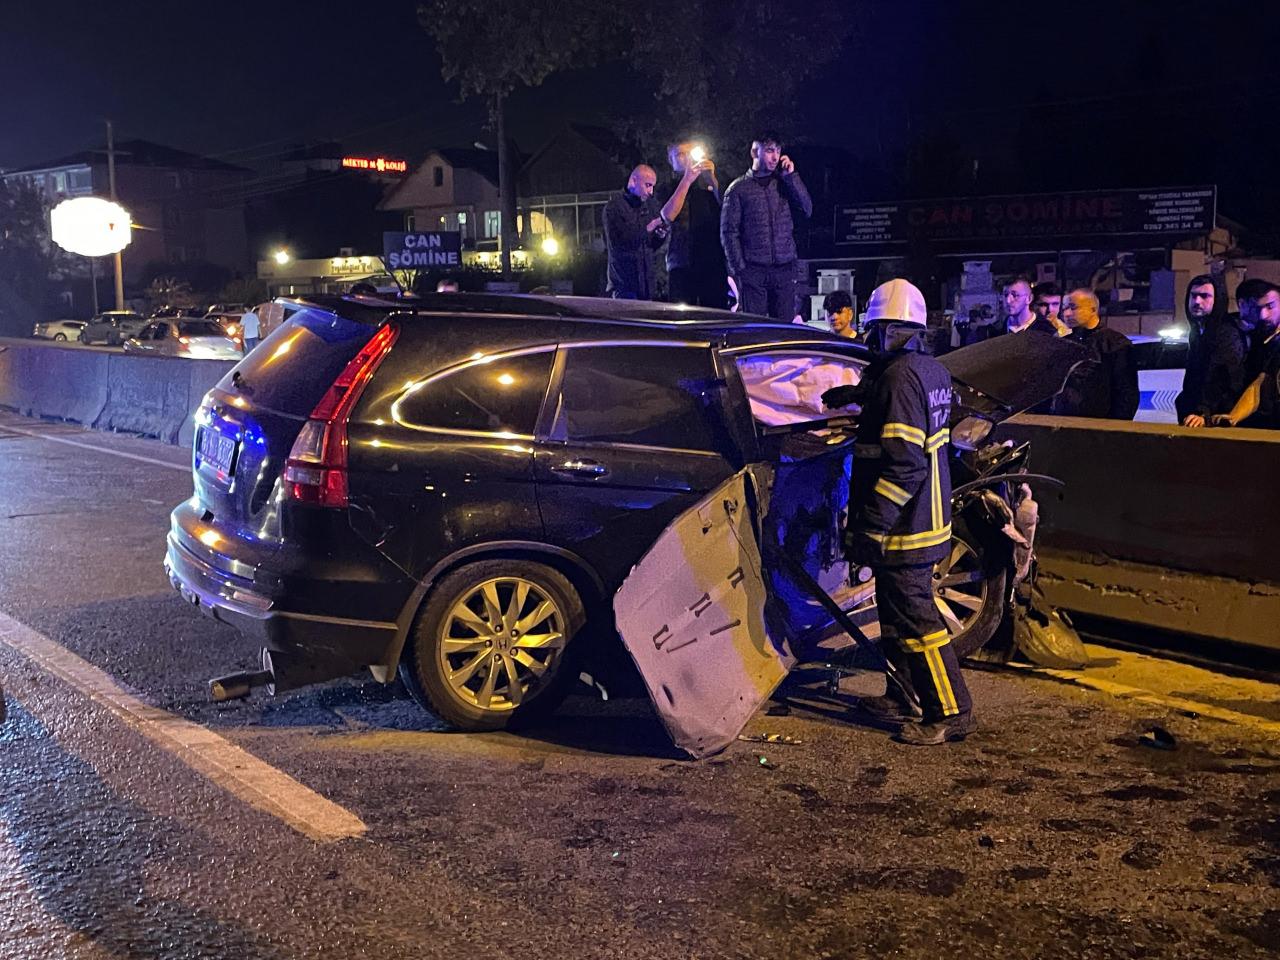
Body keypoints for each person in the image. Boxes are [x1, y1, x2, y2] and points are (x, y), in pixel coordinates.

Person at [822, 279, 975, 746]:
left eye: (874, 330)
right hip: (925, 518)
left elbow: (904, 465)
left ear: (889, 330)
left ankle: (950, 710)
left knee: (916, 621)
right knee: (893, 614)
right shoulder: (928, 370)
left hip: (905, 525)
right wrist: (858, 398)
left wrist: (871, 526)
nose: (870, 340)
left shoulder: (898, 378)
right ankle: (903, 692)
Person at [720, 132, 813, 320]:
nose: (775, 157)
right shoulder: (738, 188)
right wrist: (740, 270)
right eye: (770, 150)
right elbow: (729, 232)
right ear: (755, 152)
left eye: (778, 151)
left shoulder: (784, 183)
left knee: (784, 330)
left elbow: (807, 210)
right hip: (753, 271)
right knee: (754, 329)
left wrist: (792, 177)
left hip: (784, 269)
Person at [1051, 289, 1139, 420]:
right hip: (1063, 425)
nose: (1067, 313)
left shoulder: (1115, 344)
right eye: (1064, 308)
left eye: (1073, 308)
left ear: (1093, 309)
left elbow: (1127, 393)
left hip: (1099, 428)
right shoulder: (1065, 342)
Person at [660, 142, 726, 307]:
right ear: (670, 160)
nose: (686, 159)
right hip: (681, 263)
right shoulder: (665, 188)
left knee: (714, 315)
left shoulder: (708, 189)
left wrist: (712, 179)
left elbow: (729, 211)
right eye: (680, 155)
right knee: (682, 316)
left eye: (690, 154)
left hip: (710, 262)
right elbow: (667, 215)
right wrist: (687, 179)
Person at [1213, 281, 1280, 429]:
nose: (1264, 315)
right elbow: (1258, 385)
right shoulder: (1257, 339)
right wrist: (1233, 416)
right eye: (1258, 308)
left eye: (1270, 306)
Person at [603, 164, 667, 300]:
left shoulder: (649, 206)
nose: (651, 192)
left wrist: (659, 237)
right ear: (634, 181)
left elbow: (649, 246)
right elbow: (621, 242)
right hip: (624, 285)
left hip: (647, 286)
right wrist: (649, 228)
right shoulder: (614, 207)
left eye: (653, 187)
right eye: (648, 185)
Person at [1175, 275, 1228, 425]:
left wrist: (1205, 413)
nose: (1197, 301)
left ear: (1217, 300)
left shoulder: (1226, 334)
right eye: (1193, 296)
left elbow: (1222, 378)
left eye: (1205, 296)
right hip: (1196, 416)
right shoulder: (1196, 332)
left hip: (1216, 420)